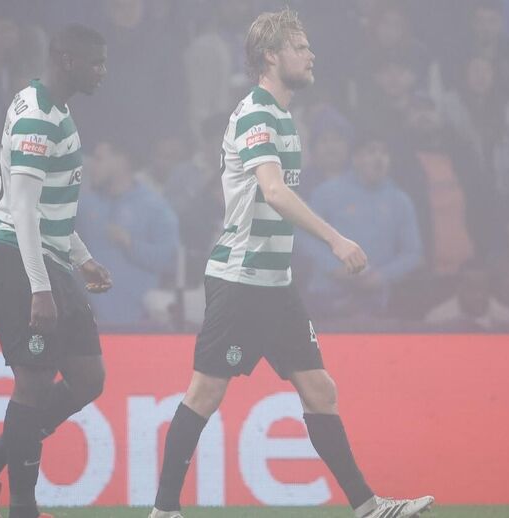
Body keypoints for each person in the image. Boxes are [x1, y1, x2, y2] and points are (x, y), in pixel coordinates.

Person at [148, 9, 434, 518]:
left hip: (274, 284)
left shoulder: (283, 117)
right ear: (271, 56)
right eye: (300, 47)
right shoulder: (257, 114)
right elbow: (274, 192)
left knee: (320, 390)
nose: (310, 55)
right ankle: (163, 511)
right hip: (241, 280)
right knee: (204, 393)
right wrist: (335, 239)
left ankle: (368, 507)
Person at [0, 23, 112, 518]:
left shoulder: (55, 110)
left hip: (51, 258)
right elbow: (21, 209)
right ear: (66, 60)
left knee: (88, 378)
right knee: (34, 381)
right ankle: (23, 506)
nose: (102, 72)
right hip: (21, 261)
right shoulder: (37, 116)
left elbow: (47, 206)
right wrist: (39, 288)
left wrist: (81, 257)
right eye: (95, 63)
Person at [301, 135, 423, 319]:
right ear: (356, 159)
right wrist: (335, 268)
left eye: (384, 152)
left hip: (375, 299)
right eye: (371, 151)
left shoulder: (400, 200)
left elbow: (412, 252)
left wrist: (382, 276)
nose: (378, 158)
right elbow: (306, 236)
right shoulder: (327, 192)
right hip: (327, 296)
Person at [77, 139, 178, 328]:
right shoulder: (84, 205)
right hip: (90, 324)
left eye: (99, 159)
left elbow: (168, 260)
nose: (92, 166)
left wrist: (131, 244)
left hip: (138, 325)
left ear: (121, 161)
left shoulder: (154, 207)